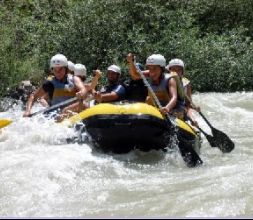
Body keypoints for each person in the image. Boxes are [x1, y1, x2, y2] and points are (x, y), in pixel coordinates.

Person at [23, 54, 87, 118]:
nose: (58, 73)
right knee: (65, 111)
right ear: (52, 70)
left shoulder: (74, 79)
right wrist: (27, 111)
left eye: (60, 70)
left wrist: (81, 93)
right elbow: (34, 96)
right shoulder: (49, 82)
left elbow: (83, 89)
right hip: (57, 115)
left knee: (84, 104)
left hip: (72, 110)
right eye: (55, 70)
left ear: (66, 69)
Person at [127, 53, 185, 118]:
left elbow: (174, 98)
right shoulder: (149, 73)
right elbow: (135, 75)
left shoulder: (170, 79)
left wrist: (167, 108)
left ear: (162, 69)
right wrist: (131, 62)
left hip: (174, 109)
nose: (152, 72)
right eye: (149, 68)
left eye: (154, 68)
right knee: (148, 99)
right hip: (159, 107)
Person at [166, 58, 200, 126]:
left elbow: (188, 104)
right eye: (173, 69)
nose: (176, 72)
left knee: (184, 112)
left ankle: (192, 123)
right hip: (167, 107)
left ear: (182, 71)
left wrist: (195, 107)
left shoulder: (186, 83)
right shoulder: (165, 80)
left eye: (179, 69)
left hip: (181, 109)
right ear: (169, 70)